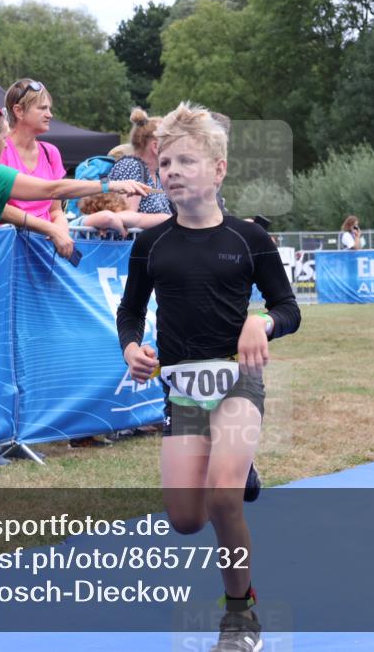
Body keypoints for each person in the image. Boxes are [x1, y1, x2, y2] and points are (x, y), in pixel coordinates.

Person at [116, 102, 300, 652]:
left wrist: (260, 323)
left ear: (218, 170)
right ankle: (239, 470)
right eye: (165, 163)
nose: (172, 172)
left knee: (222, 499)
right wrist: (131, 347)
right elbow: (130, 310)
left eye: (186, 162)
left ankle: (241, 616)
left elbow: (289, 308)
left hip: (238, 381)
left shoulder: (249, 238)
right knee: (187, 519)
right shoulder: (152, 244)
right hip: (183, 388)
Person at [0, 105, 149, 253]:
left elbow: (2, 209)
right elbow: (52, 190)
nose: (6, 145)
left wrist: (50, 228)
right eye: (3, 138)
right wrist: (108, 185)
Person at [0, 78, 73, 256]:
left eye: (49, 108)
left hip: (43, 250)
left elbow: (55, 210)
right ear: (19, 111)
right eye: (42, 108)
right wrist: (50, 230)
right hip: (7, 251)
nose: (50, 114)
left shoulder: (51, 152)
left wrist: (61, 231)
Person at [109, 107, 172, 215]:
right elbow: (125, 216)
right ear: (155, 147)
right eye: (170, 142)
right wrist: (165, 220)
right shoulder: (131, 167)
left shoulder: (155, 174)